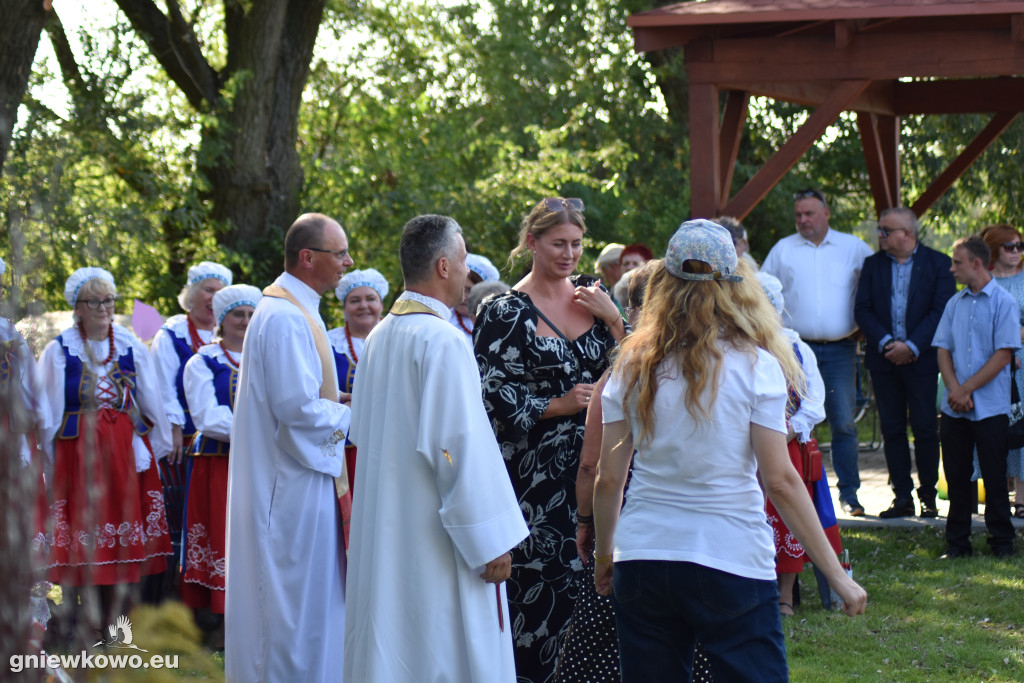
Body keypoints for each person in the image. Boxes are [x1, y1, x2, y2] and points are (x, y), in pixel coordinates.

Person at [593, 220, 867, 682]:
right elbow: (780, 480)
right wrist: (836, 574)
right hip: (730, 558)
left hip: (642, 556)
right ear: (735, 284)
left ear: (665, 283)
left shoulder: (632, 364)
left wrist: (605, 557)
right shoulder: (757, 365)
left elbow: (607, 480)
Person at [345, 214, 529, 682]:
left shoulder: (380, 336)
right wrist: (489, 539)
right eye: (465, 260)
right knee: (444, 643)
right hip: (437, 528)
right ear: (444, 266)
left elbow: (361, 433)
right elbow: (456, 447)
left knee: (398, 636)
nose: (470, 273)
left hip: (390, 518)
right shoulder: (443, 341)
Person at [475, 197, 627, 681]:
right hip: (539, 479)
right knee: (543, 590)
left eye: (577, 244)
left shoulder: (596, 297)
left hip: (608, 465)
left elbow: (641, 370)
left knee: (605, 584)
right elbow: (491, 393)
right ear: (531, 243)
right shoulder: (503, 311)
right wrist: (559, 404)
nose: (569, 254)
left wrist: (616, 320)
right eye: (558, 244)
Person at [225, 213, 354, 682]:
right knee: (290, 605)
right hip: (287, 488)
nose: (348, 262)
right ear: (307, 258)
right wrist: (358, 418)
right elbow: (296, 409)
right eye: (339, 253)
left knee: (311, 601)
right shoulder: (282, 316)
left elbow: (304, 396)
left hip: (300, 479)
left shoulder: (298, 307)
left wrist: (338, 401)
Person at [38, 267, 173, 627]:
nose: (103, 307)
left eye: (108, 300)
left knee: (123, 524)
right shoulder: (58, 350)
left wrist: (153, 449)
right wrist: (47, 460)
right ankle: (78, 616)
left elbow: (151, 401)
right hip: (77, 450)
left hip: (122, 451)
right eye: (93, 301)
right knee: (83, 525)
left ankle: (119, 619)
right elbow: (48, 410)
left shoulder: (129, 345)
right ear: (77, 308)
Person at [560, 258, 659, 683]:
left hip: (626, 525)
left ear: (635, 310)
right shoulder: (714, 367)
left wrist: (587, 524)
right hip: (693, 534)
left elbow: (592, 465)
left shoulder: (619, 375)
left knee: (597, 645)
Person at [761, 188, 873, 516]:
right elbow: (760, 288)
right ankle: (795, 491)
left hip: (841, 348)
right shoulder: (783, 249)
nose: (803, 220)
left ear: (826, 213)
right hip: (790, 350)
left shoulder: (853, 247)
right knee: (788, 420)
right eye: (798, 215)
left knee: (843, 422)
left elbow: (876, 283)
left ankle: (849, 496)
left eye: (809, 214)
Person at [854, 207, 954, 518]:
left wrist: (911, 346)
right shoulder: (873, 265)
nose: (879, 235)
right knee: (892, 429)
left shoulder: (938, 263)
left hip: (921, 360)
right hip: (884, 361)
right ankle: (902, 498)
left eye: (886, 230)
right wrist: (887, 343)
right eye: (880, 229)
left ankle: (927, 498)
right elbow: (863, 309)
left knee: (924, 428)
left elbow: (941, 311)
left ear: (907, 234)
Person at [757, 272, 843, 617]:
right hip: (743, 446)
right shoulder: (736, 345)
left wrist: (789, 429)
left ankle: (785, 595)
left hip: (787, 443)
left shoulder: (794, 346)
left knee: (786, 514)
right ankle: (756, 590)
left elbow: (814, 401)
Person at [180, 285, 261, 629]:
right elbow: (206, 416)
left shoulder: (266, 356)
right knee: (218, 531)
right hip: (217, 460)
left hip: (259, 462)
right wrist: (257, 432)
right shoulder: (203, 361)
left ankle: (254, 613)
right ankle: (216, 619)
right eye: (237, 315)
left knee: (254, 531)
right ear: (222, 320)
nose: (245, 321)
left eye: (251, 315)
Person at [933, 236, 1019, 559]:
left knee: (995, 476)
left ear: (977, 264)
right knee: (956, 477)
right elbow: (943, 350)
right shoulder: (954, 304)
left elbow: (1003, 355)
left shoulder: (1003, 303)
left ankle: (1001, 542)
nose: (952, 268)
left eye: (957, 262)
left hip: (990, 407)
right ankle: (957, 544)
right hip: (955, 409)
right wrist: (956, 390)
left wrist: (966, 390)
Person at [149, 260, 231, 598]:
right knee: (179, 514)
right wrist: (172, 428)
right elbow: (161, 386)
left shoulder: (233, 335)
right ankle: (173, 595)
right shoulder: (171, 334)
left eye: (220, 292)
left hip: (223, 440)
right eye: (208, 290)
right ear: (191, 295)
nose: (214, 297)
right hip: (182, 438)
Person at [327, 268, 388, 495]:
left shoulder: (397, 338)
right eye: (355, 300)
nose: (363, 305)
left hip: (387, 444)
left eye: (370, 299)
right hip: (341, 446)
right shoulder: (328, 343)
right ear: (343, 307)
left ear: (381, 304)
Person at [981, 223, 1024, 519]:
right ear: (994, 249)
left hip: (1022, 366)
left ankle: (1021, 499)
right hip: (992, 366)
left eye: (1020, 246)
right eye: (1011, 246)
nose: (1017, 252)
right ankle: (994, 498)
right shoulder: (984, 282)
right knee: (993, 430)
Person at [448, 253, 500, 344]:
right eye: (459, 288)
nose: (463, 296)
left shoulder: (496, 322)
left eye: (469, 290)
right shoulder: (444, 317)